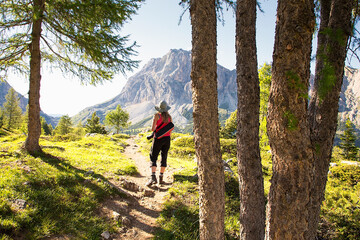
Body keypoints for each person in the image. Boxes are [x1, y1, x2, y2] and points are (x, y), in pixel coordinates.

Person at [146, 100, 172, 187]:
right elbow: (170, 129)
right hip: (167, 139)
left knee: (153, 157)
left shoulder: (157, 115)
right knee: (164, 157)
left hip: (158, 139)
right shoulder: (169, 117)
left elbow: (153, 129)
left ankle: (153, 177)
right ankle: (161, 178)